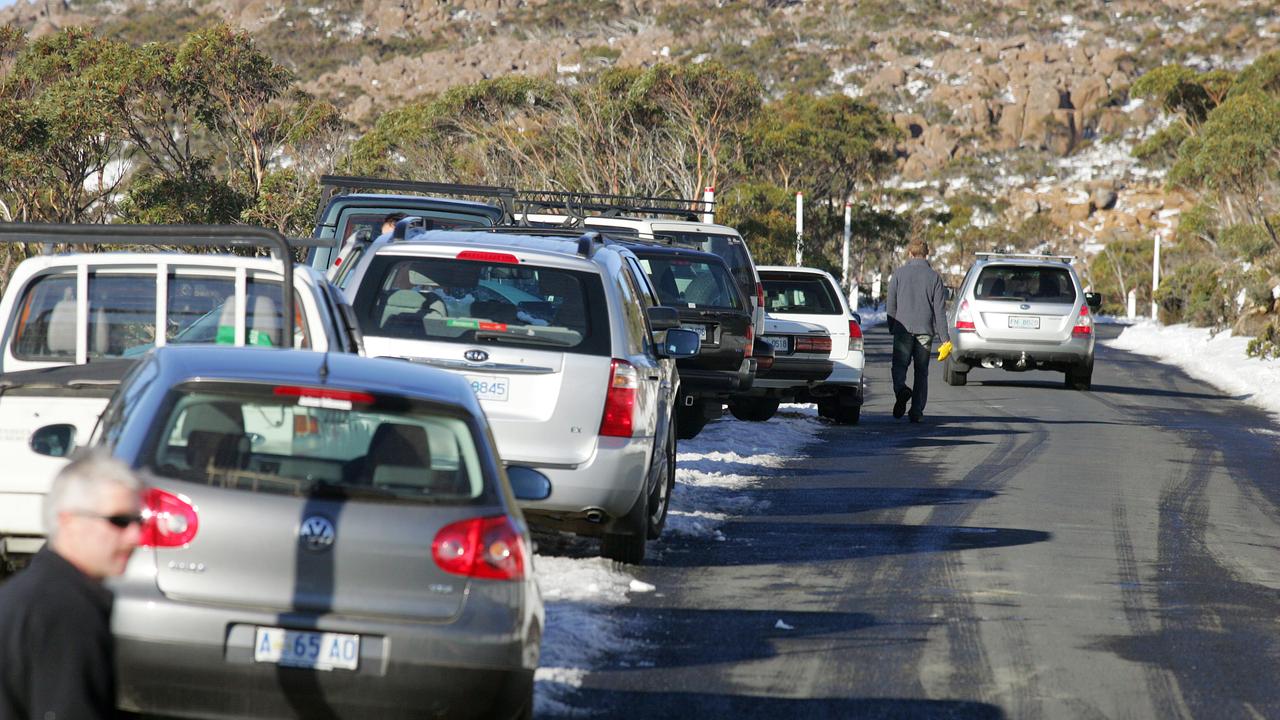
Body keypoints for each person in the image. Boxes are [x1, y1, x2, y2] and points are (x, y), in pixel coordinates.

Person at [0, 451, 145, 720]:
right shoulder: (67, 612)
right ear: (68, 521)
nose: (136, 536)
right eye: (119, 521)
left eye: (139, 521)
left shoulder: (28, 593)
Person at [886, 238, 950, 423]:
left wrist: (893, 326)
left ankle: (901, 390)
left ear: (910, 253)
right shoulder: (934, 278)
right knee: (921, 371)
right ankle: (916, 411)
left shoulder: (898, 275)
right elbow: (939, 311)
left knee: (899, 366)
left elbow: (891, 304)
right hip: (925, 331)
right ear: (927, 254)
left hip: (903, 329)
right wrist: (944, 338)